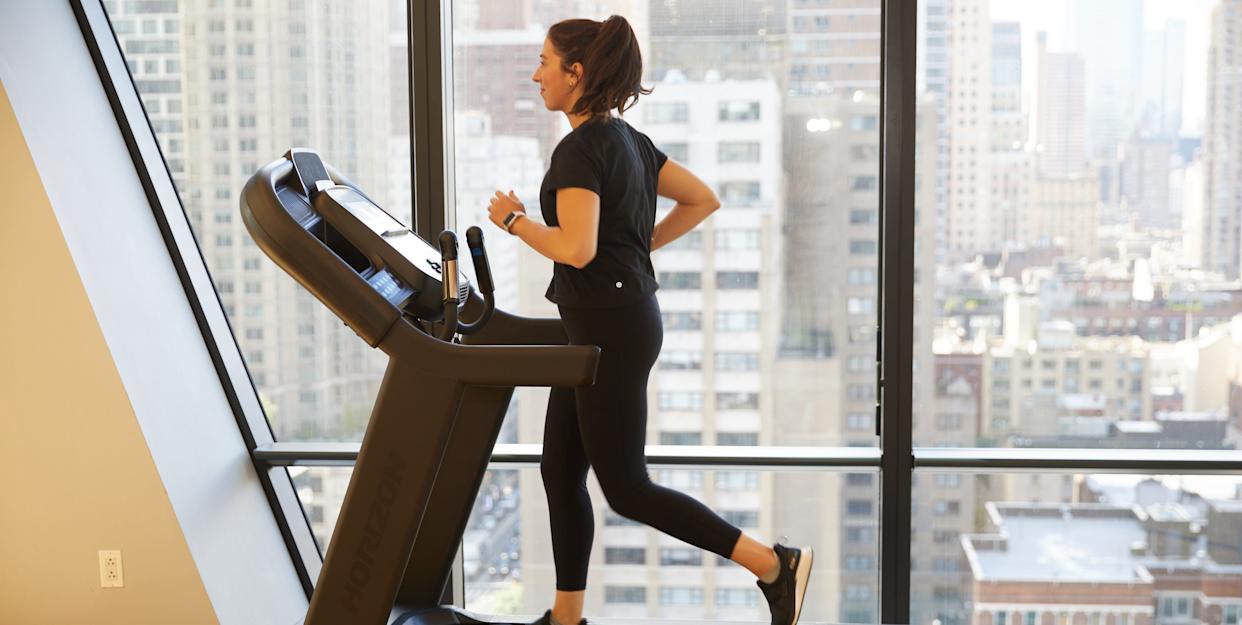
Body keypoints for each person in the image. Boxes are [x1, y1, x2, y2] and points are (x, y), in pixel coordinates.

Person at [486, 15, 813, 625]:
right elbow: (702, 198)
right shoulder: (629, 141)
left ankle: (773, 565)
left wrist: (514, 221)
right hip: (607, 323)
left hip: (609, 331)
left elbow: (577, 249)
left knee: (627, 488)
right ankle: (566, 618)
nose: (536, 75)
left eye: (545, 63)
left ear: (575, 73)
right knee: (559, 472)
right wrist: (636, 251)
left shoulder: (581, 149)